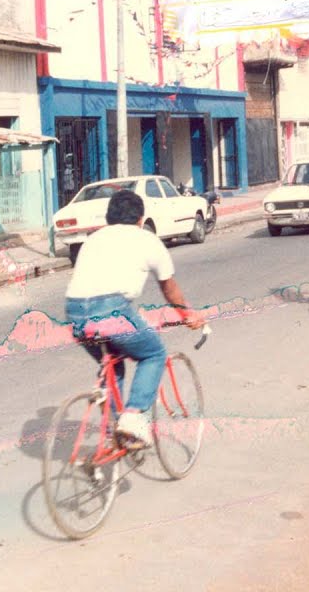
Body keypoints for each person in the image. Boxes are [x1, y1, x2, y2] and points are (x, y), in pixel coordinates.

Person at [65, 189, 205, 450]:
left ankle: (115, 429)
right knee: (153, 354)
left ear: (108, 218)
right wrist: (188, 315)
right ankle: (133, 417)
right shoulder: (148, 240)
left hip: (75, 312)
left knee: (112, 363)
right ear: (140, 219)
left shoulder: (93, 239)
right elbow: (169, 289)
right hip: (114, 311)